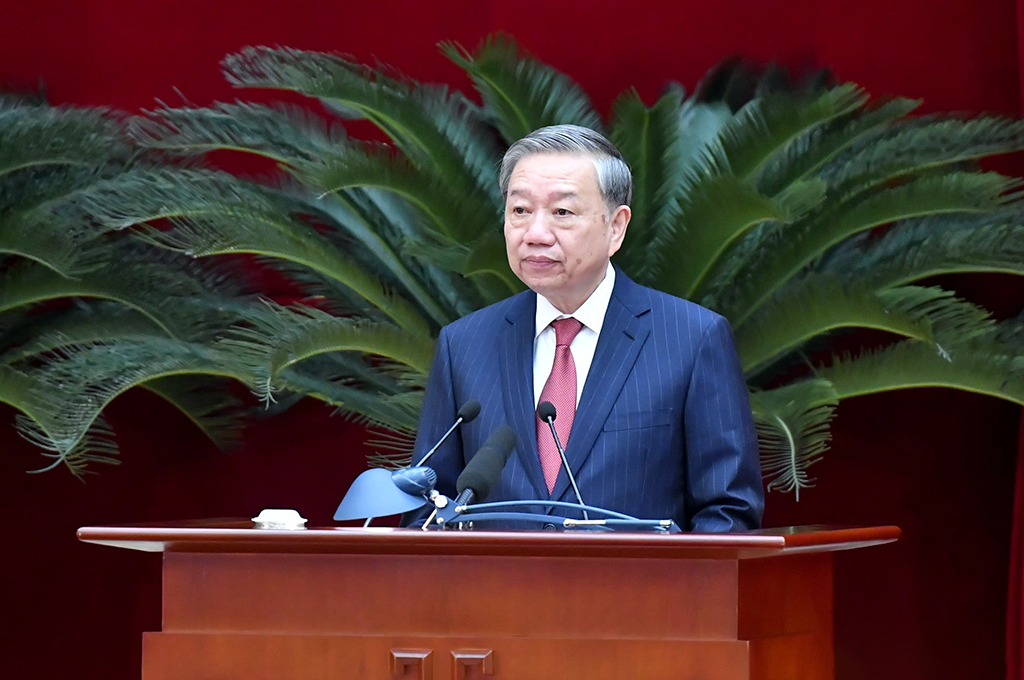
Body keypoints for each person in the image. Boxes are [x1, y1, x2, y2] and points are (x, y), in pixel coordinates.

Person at [406, 124, 763, 532]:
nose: (535, 234)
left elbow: (727, 512)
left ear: (616, 227)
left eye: (562, 213)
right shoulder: (464, 345)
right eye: (520, 211)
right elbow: (427, 508)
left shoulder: (692, 339)